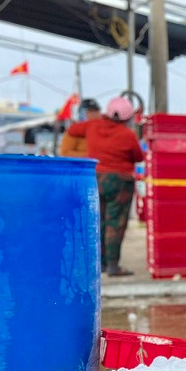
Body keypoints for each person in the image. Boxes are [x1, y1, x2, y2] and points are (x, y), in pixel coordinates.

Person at [66, 97, 145, 276]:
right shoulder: (128, 135)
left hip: (96, 179)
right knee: (115, 223)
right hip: (120, 181)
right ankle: (113, 265)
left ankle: (99, 264)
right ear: (127, 118)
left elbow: (72, 129)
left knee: (98, 221)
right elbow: (139, 156)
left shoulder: (92, 126)